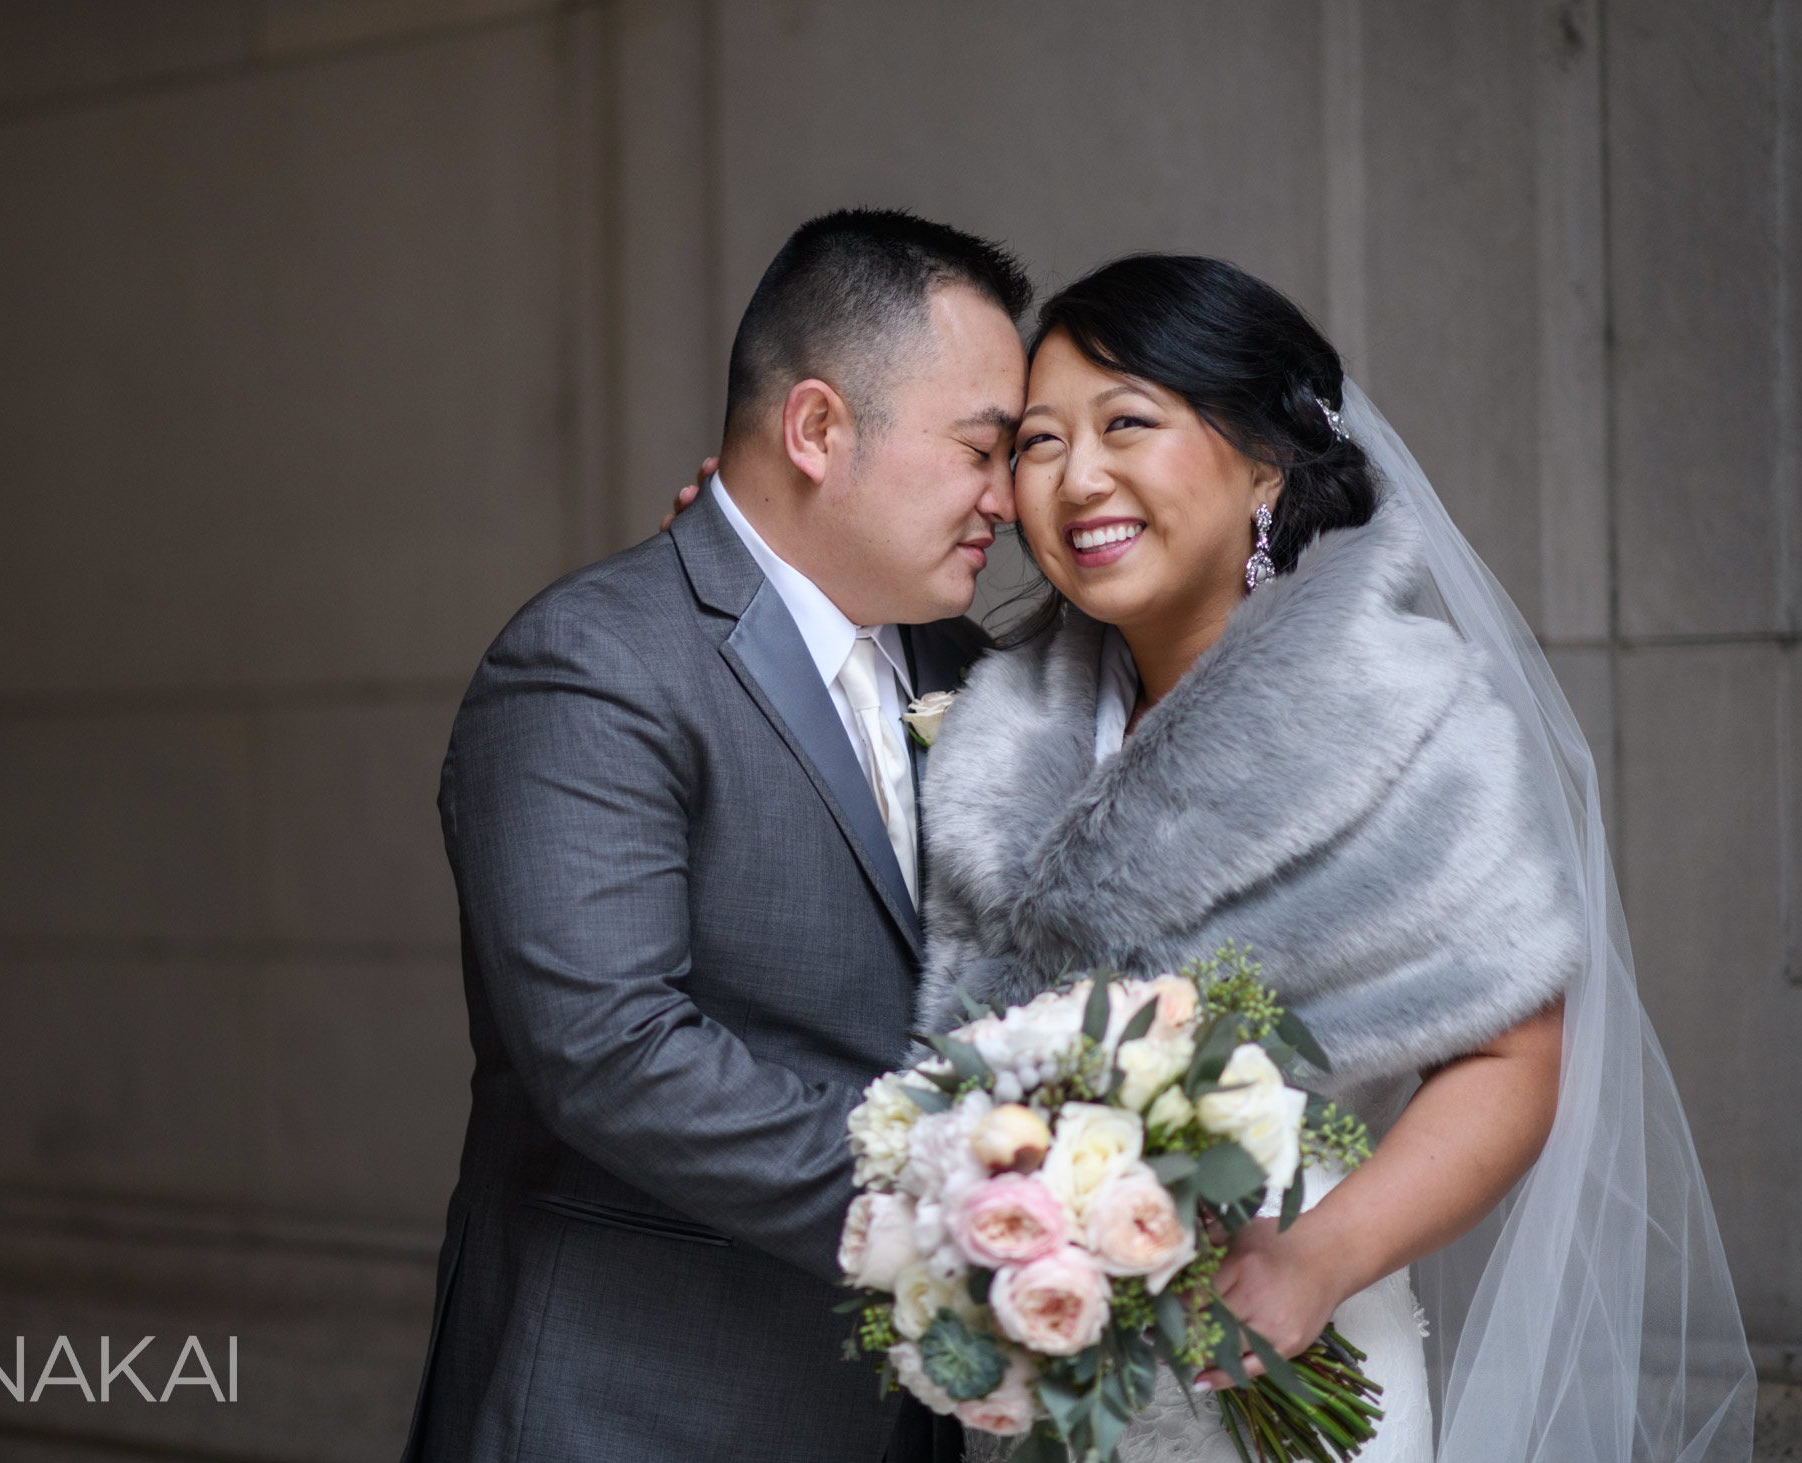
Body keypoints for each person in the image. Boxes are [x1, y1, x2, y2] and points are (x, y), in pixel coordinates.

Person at [905, 253, 1755, 1461]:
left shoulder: (1405, 717)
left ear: (1264, 460)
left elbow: (1513, 1053)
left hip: (1291, 1368)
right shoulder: (995, 716)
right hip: (1033, 1392)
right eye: (1038, 442)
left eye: (1127, 423)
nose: (1077, 476)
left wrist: (1315, 1258)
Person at [398, 207, 1029, 1463]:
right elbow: (610, 1047)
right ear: (814, 429)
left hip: (911, 1420)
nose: (1006, 500)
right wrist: (958, 1213)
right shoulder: (595, 662)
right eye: (980, 450)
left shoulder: (978, 675)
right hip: (640, 1407)